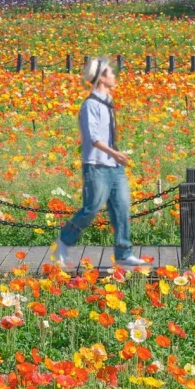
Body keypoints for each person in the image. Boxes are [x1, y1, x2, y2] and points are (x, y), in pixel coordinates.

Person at [52, 56, 148, 268]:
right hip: (96, 166)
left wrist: (115, 157)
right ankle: (64, 240)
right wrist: (114, 153)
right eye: (111, 73)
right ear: (101, 78)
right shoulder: (90, 105)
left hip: (114, 167)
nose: (115, 76)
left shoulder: (108, 104)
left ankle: (124, 252)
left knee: (121, 208)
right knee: (92, 208)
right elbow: (93, 137)